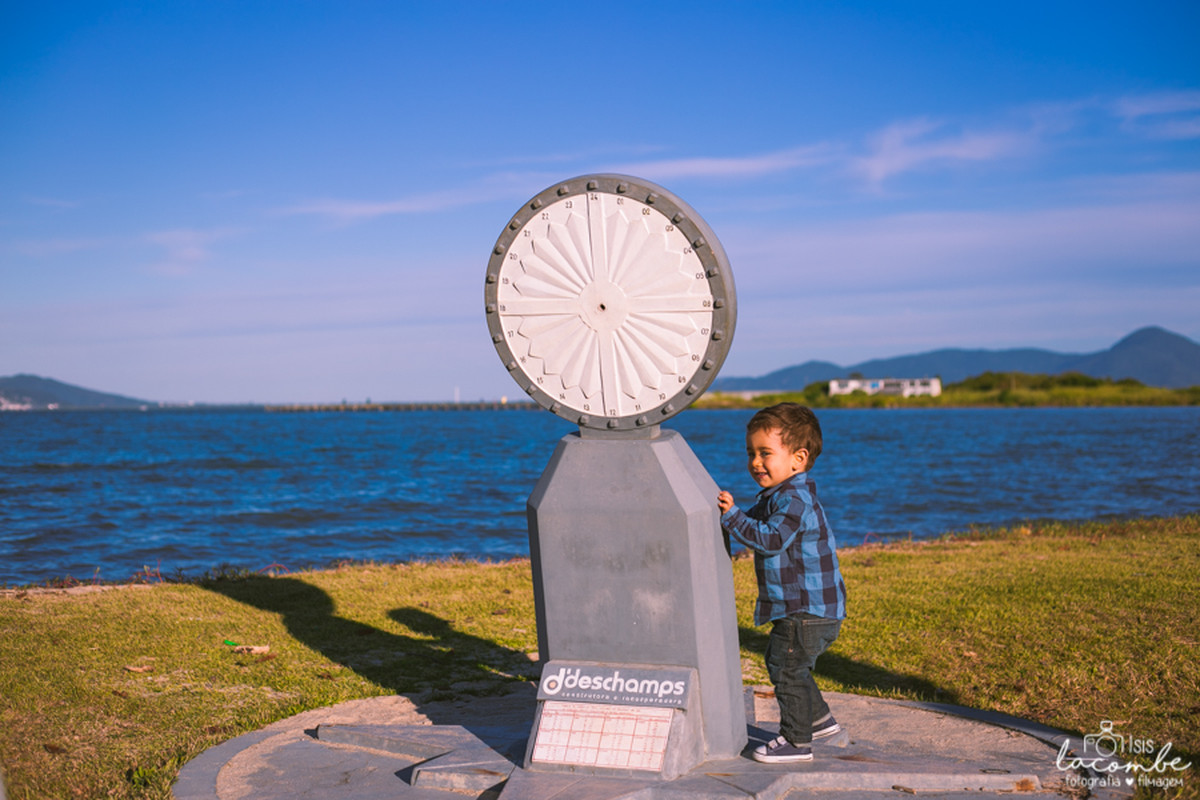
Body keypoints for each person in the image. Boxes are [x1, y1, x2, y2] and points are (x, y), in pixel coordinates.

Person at [717, 402, 847, 764]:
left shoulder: (792, 499)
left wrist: (732, 517)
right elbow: (756, 523)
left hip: (805, 610)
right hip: (810, 608)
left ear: (798, 458)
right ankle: (819, 722)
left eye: (765, 453)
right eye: (751, 453)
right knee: (792, 665)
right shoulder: (779, 496)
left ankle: (796, 742)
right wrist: (731, 515)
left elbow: (770, 539)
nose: (755, 462)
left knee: (785, 667)